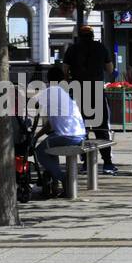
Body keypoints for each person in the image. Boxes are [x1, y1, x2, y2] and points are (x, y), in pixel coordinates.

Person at [63, 26, 118, 175]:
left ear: (79, 36)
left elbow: (65, 70)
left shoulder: (72, 49)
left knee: (83, 129)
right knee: (102, 129)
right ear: (92, 36)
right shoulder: (101, 47)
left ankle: (86, 163)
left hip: (80, 91)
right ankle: (107, 163)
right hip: (97, 91)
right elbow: (110, 69)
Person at [34, 65, 88, 197]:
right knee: (50, 144)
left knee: (40, 151)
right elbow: (50, 126)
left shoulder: (50, 91)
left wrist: (34, 137)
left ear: (48, 79)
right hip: (80, 135)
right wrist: (37, 136)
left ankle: (62, 178)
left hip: (67, 136)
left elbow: (34, 105)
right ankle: (56, 180)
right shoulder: (65, 93)